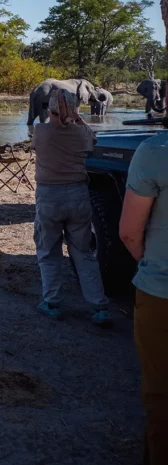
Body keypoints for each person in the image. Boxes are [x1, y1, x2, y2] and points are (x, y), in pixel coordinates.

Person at [31, 87, 110, 325]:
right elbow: (93, 140)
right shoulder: (80, 133)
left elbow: (36, 145)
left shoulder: (41, 131)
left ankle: (52, 302)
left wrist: (61, 115)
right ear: (75, 109)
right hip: (78, 195)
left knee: (48, 250)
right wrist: (77, 118)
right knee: (83, 253)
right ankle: (99, 306)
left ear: (51, 108)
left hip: (49, 196)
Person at [120, 129, 168, 464]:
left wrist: (151, 265)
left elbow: (128, 232)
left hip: (162, 293)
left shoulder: (155, 150)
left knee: (162, 396)